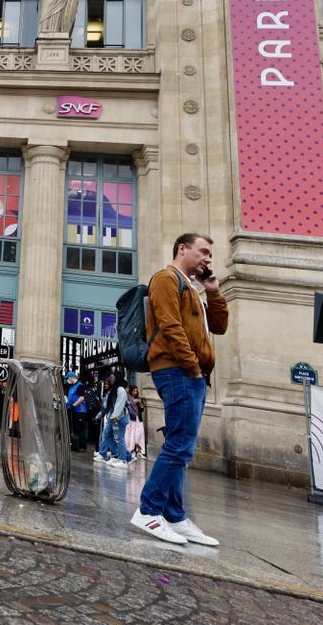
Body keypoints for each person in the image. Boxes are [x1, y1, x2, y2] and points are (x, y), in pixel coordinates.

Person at [131, 233, 228, 546]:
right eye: (203, 252)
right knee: (180, 446)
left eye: (210, 254)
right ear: (182, 249)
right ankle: (149, 510)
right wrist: (193, 367)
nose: (208, 259)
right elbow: (169, 325)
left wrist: (213, 292)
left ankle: (174, 514)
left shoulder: (194, 287)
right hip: (178, 370)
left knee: (179, 444)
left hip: (190, 372)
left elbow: (220, 326)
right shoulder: (165, 278)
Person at [98, 376, 132, 468]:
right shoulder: (113, 390)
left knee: (119, 437)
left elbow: (120, 403)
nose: (112, 379)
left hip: (120, 417)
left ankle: (123, 460)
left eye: (114, 377)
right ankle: (117, 455)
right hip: (114, 417)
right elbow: (107, 406)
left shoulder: (120, 389)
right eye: (110, 378)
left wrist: (114, 416)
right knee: (108, 434)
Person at [65, 371, 89, 452]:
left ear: (71, 377)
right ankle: (76, 445)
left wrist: (74, 405)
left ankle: (82, 446)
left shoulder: (80, 386)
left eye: (67, 378)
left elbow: (82, 398)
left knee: (80, 429)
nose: (67, 380)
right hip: (73, 411)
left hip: (80, 411)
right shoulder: (72, 387)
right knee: (75, 429)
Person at [126, 385, 147, 460]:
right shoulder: (128, 399)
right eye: (134, 391)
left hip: (138, 419)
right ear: (131, 391)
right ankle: (132, 451)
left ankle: (139, 451)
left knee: (139, 434)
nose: (135, 392)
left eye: (136, 391)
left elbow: (141, 410)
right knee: (132, 435)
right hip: (131, 420)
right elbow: (127, 408)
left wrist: (140, 404)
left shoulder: (138, 399)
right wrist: (133, 402)